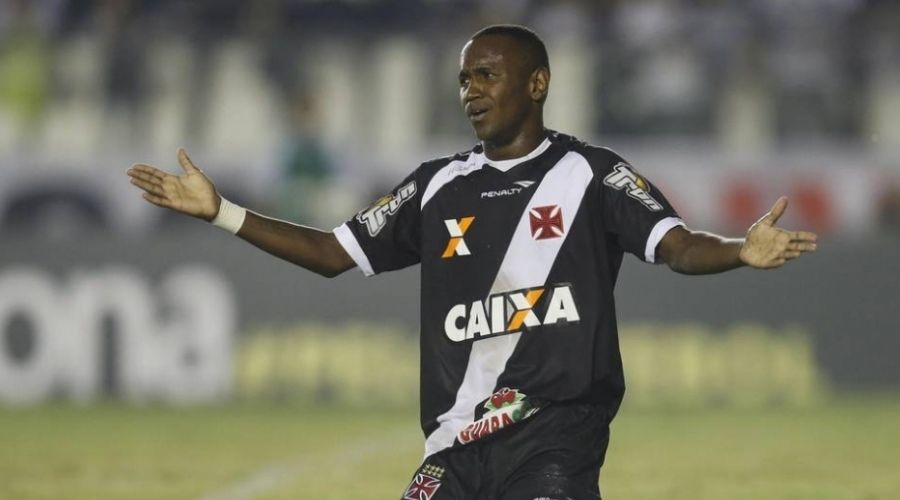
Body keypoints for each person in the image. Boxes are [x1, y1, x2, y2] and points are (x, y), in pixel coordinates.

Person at [127, 25, 817, 500]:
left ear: (538, 82)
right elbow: (332, 253)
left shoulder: (593, 174)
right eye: (463, 80)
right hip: (455, 443)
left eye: (487, 75)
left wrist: (738, 251)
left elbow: (676, 247)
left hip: (556, 434)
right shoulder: (435, 185)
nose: (471, 92)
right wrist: (222, 211)